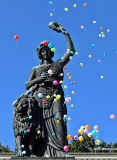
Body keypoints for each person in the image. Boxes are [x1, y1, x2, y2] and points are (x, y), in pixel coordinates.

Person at [25, 21, 76, 157]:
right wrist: (38, 79)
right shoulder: (35, 69)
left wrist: (66, 33)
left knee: (59, 119)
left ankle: (60, 151)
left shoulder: (58, 64)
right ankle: (37, 152)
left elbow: (71, 52)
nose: (45, 53)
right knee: (38, 128)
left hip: (55, 96)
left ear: (51, 52)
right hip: (39, 99)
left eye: (47, 51)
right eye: (43, 51)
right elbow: (27, 85)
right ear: (40, 54)